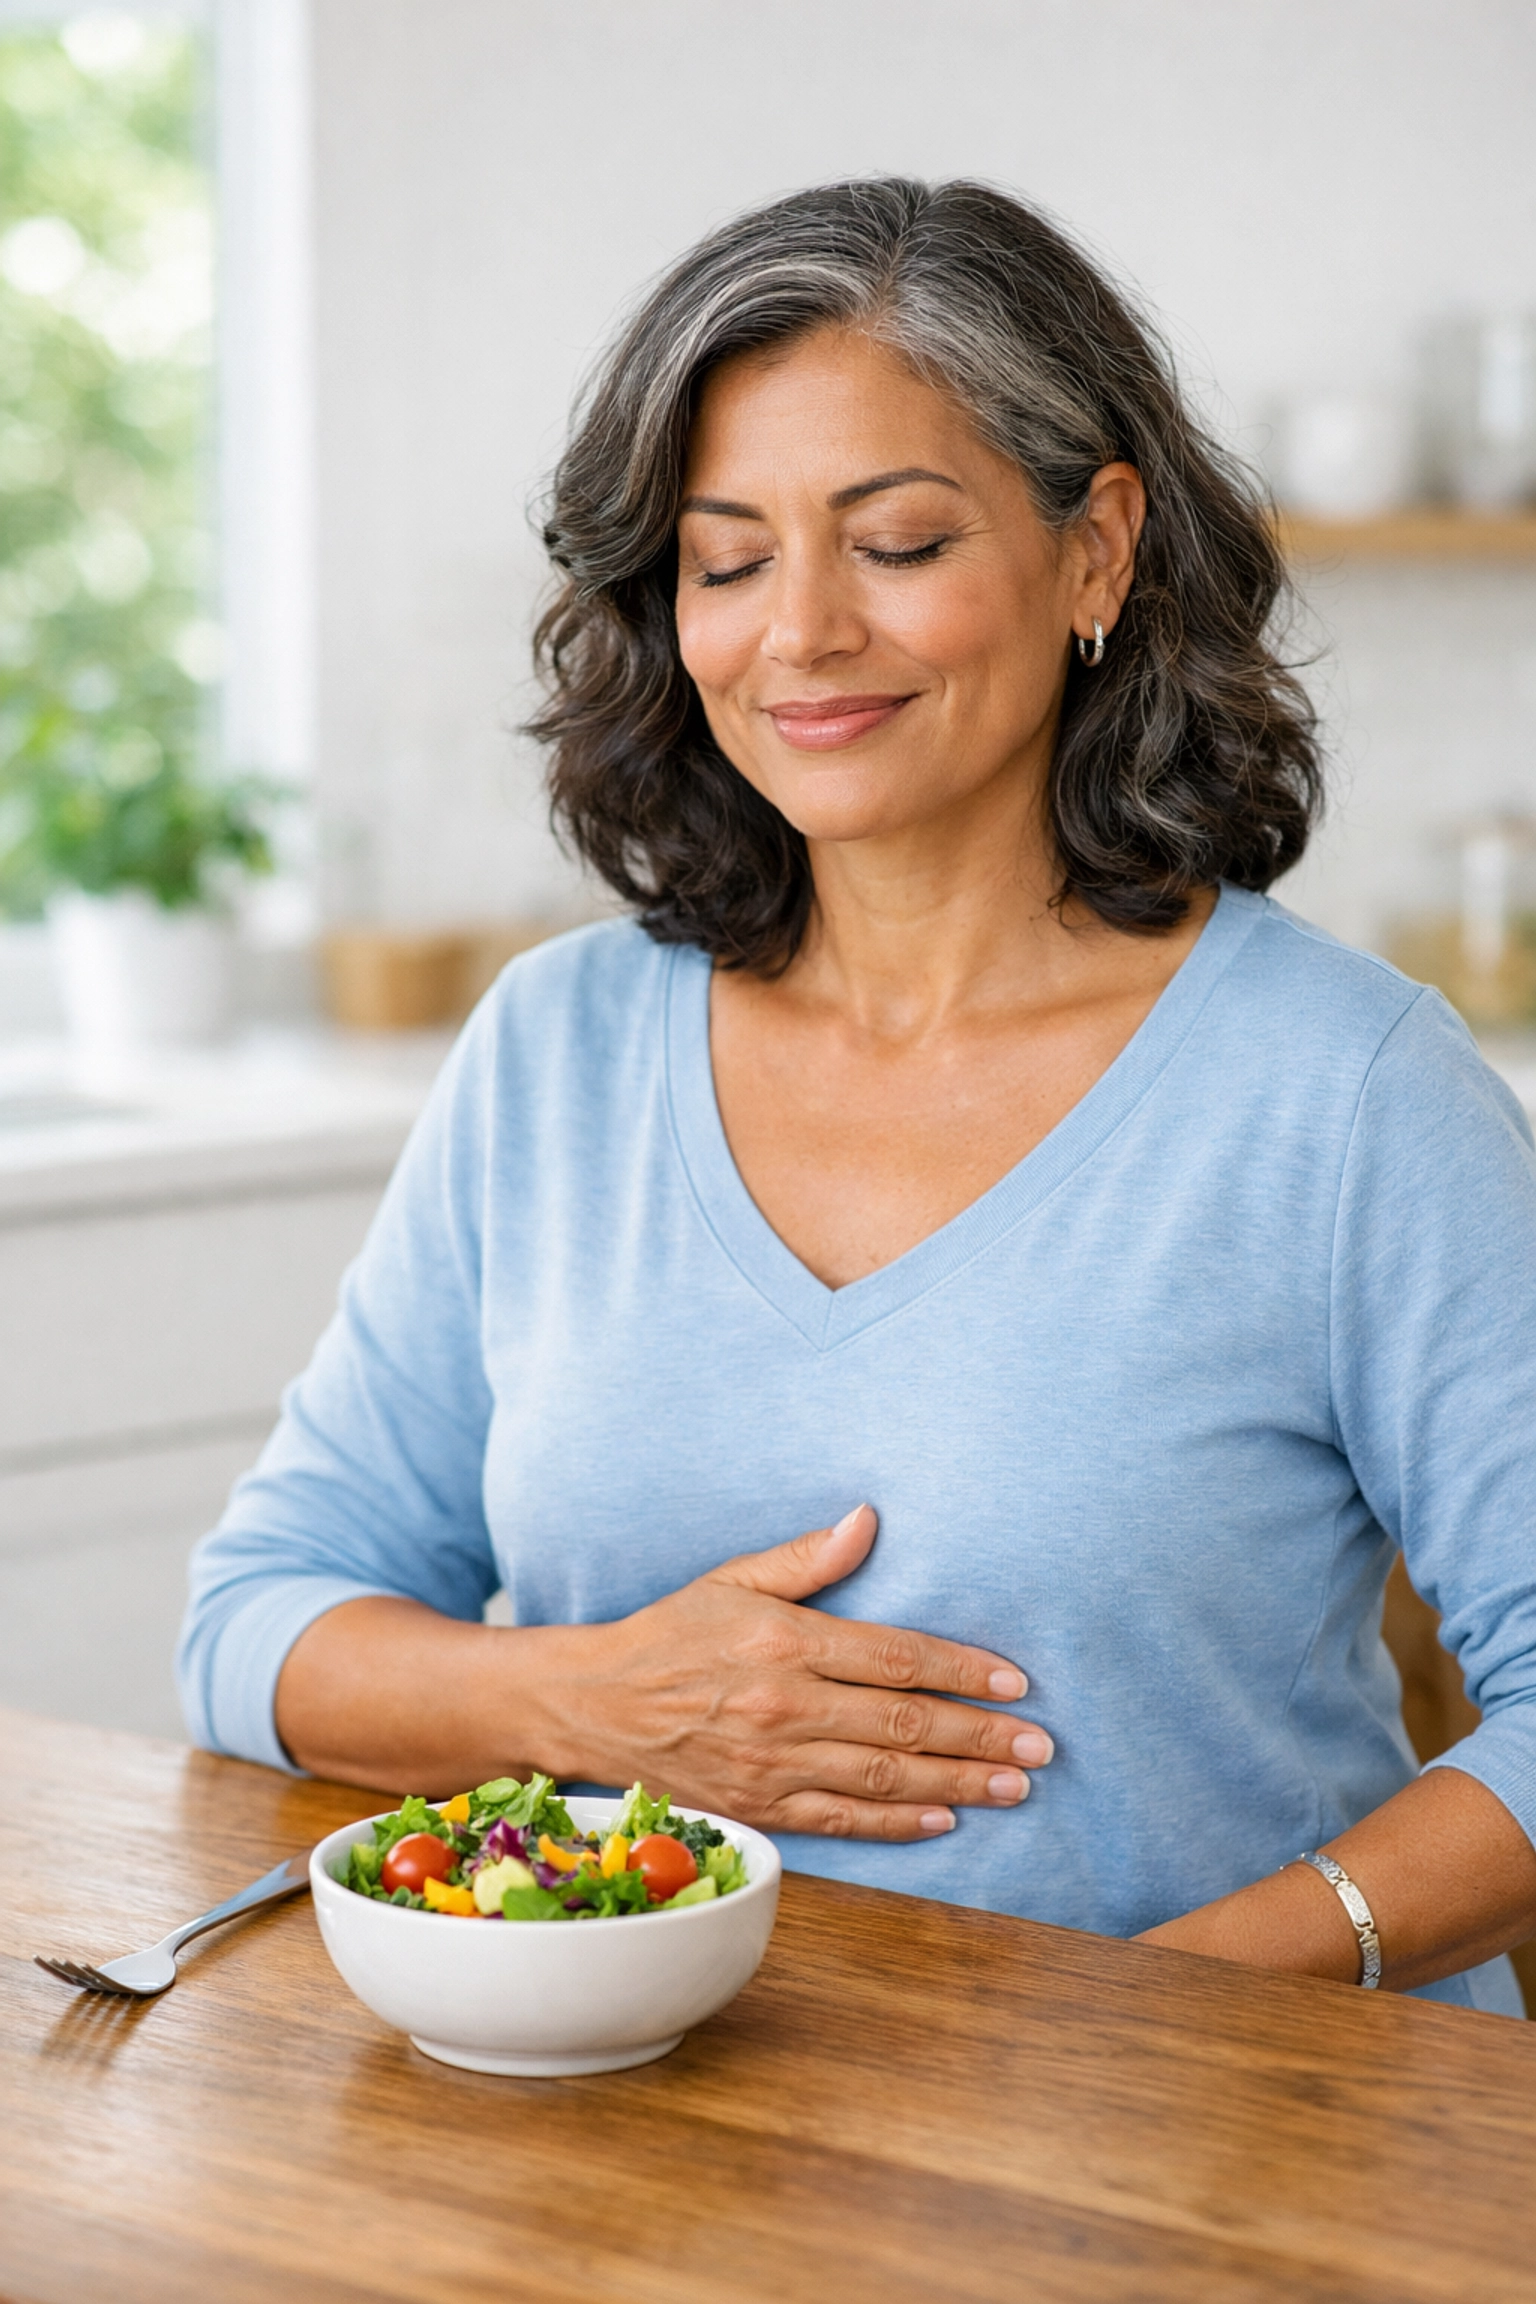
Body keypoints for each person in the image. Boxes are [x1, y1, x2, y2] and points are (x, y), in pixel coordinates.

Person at [179, 179, 1536, 2013]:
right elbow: (259, 1623)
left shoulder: (1349, 1090)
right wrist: (598, 1699)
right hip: (655, 2144)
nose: (799, 631)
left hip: (1222, 2169)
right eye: (726, 561)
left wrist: (1160, 2015)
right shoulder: (556, 1050)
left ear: (1097, 552)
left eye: (894, 541)